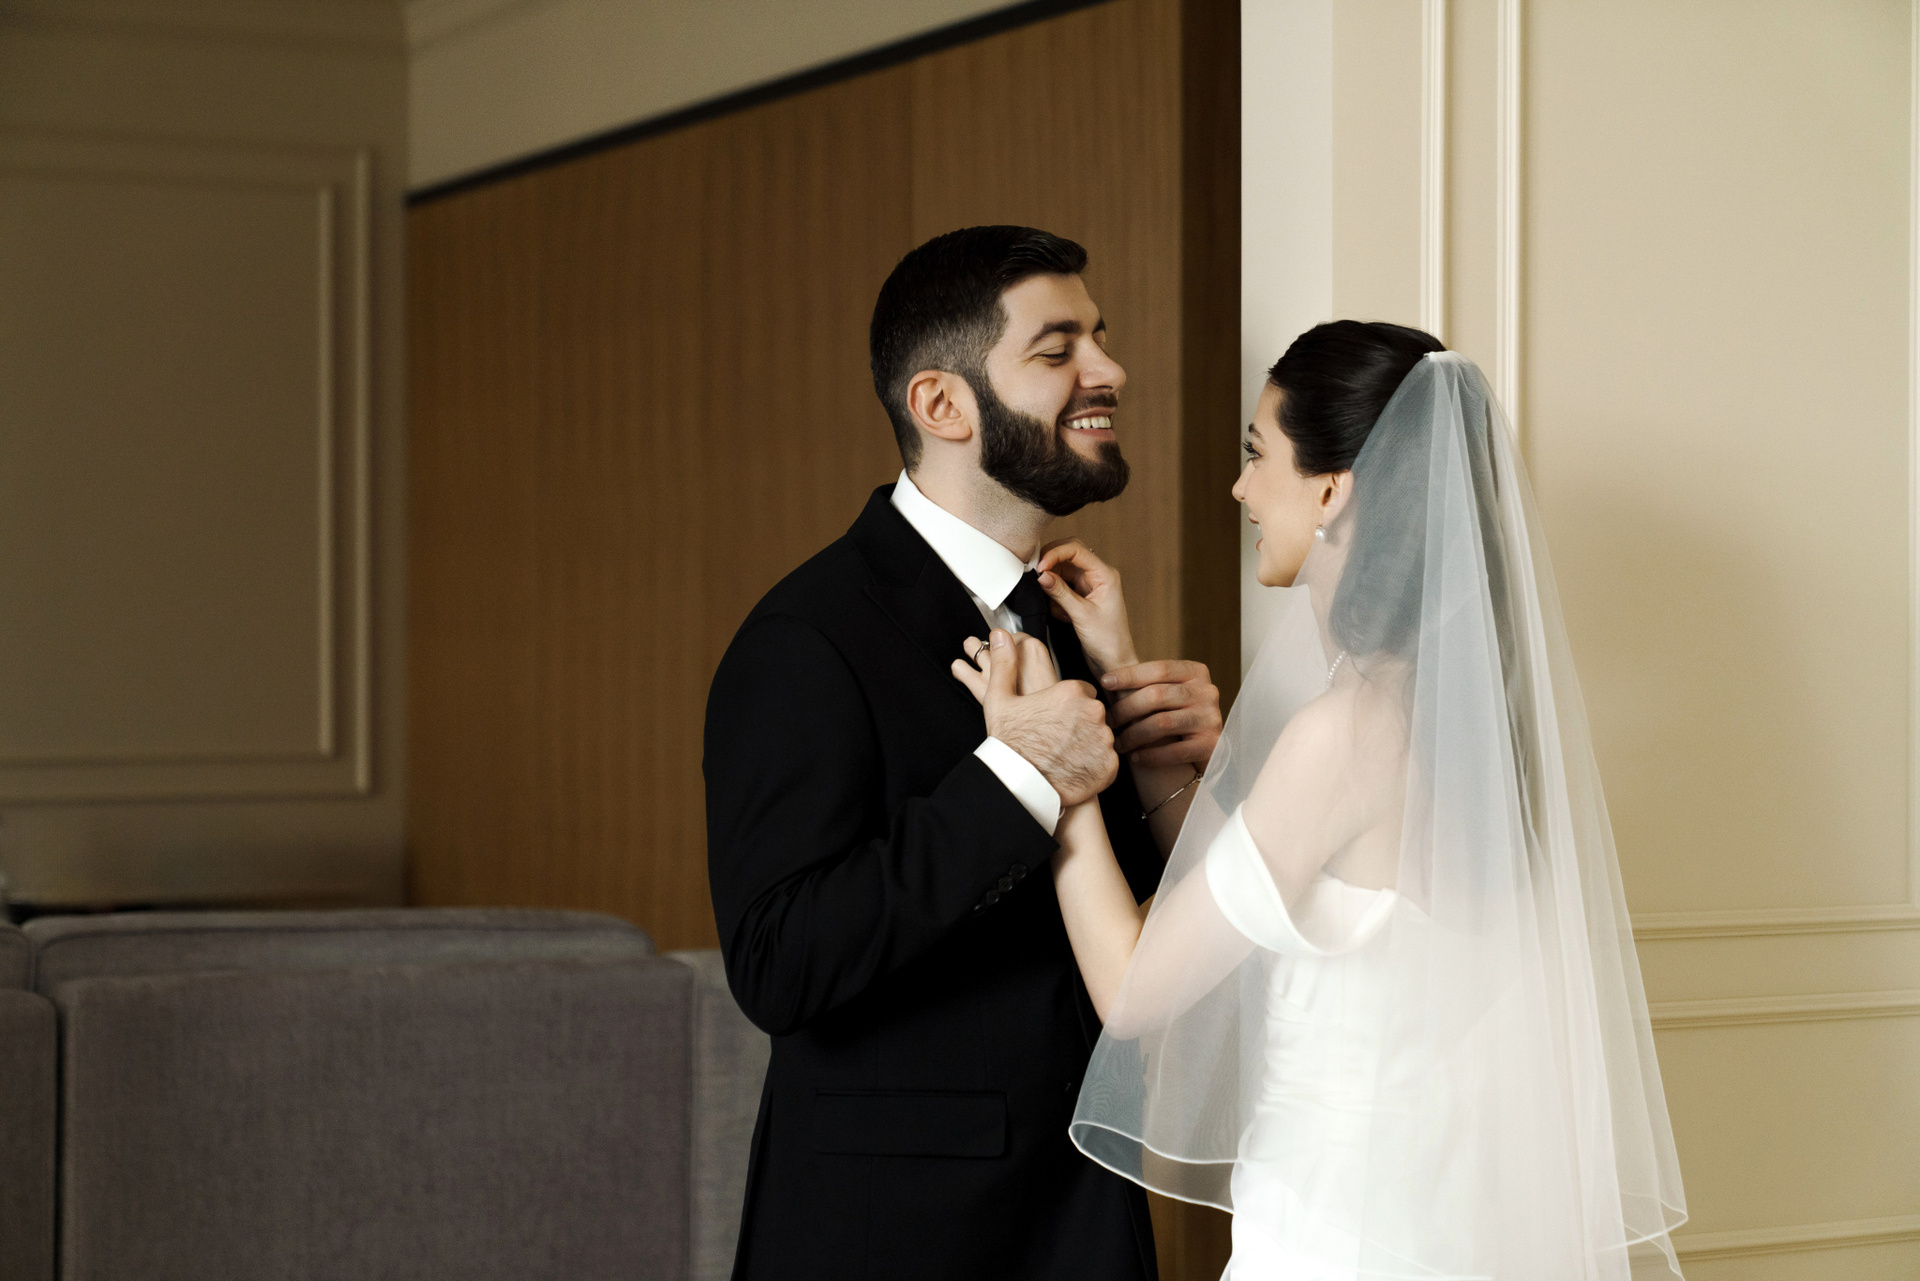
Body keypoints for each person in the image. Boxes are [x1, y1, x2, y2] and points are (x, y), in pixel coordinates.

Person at [954, 322, 1690, 1279]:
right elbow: (1274, 895)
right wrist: (1125, 679)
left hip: (1333, 1239)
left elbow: (1135, 991)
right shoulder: (1460, 713)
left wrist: (1055, 767)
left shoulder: (1346, 730)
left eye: (1259, 454)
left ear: (1334, 490)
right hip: (1429, 1227)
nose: (1241, 488)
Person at [704, 225, 1223, 1280]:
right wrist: (1016, 778)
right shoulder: (805, 638)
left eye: (1100, 339)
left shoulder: (1069, 622)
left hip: (1086, 1223)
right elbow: (778, 961)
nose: (1109, 371)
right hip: (899, 1238)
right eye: (1058, 349)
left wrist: (1165, 762)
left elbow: (1123, 932)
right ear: (942, 404)